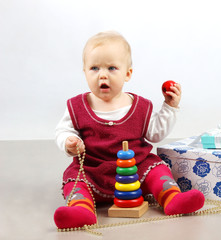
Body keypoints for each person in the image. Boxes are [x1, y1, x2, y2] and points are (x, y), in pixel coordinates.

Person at [54, 31, 205, 229]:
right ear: (84, 72)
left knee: (157, 170)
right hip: (93, 170)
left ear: (128, 74)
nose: (102, 74)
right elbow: (63, 130)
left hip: (135, 173)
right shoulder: (77, 106)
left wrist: (169, 107)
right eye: (94, 68)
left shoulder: (140, 106)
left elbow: (155, 134)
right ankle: (81, 209)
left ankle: (172, 199)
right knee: (74, 180)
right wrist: (69, 142)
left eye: (111, 68)